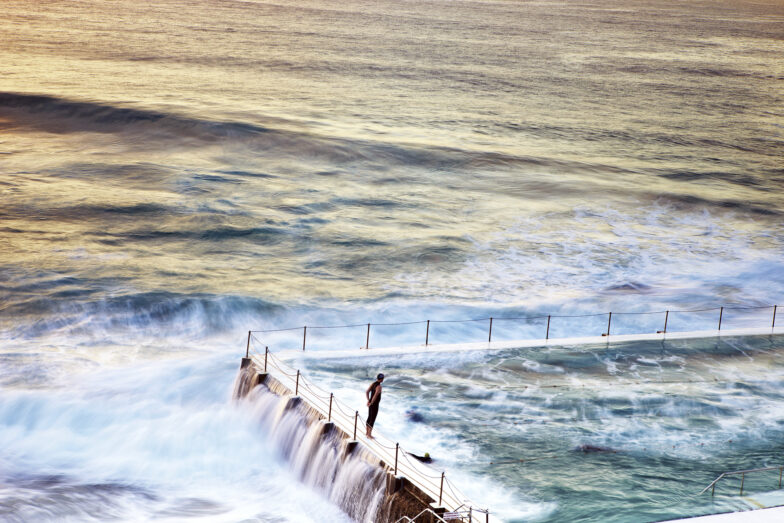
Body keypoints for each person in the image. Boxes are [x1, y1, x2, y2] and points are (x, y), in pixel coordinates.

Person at [365, 373, 384, 438]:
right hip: (374, 405)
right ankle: (369, 435)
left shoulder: (373, 384)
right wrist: (371, 402)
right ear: (381, 379)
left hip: (370, 403)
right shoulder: (379, 387)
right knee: (372, 419)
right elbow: (375, 396)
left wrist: (368, 400)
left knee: (369, 417)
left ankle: (367, 433)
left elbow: (367, 391)